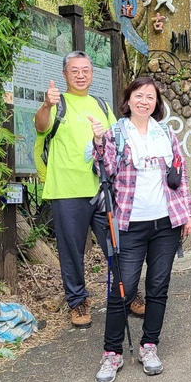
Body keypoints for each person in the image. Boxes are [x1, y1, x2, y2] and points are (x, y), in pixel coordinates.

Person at [89, 77, 191, 382]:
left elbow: (180, 173)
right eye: (139, 95)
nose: (144, 101)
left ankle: (149, 346)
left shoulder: (167, 133)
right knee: (123, 288)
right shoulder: (117, 132)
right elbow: (103, 169)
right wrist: (98, 141)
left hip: (166, 223)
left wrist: (186, 213)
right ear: (129, 98)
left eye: (150, 96)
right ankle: (112, 352)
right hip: (129, 223)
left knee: (158, 286)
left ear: (156, 103)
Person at [35, 50, 144, 329]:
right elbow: (41, 126)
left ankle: (127, 292)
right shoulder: (57, 104)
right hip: (67, 189)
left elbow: (114, 141)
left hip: (102, 188)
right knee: (72, 250)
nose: (81, 75)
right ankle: (77, 301)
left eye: (85, 70)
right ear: (64, 74)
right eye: (74, 71)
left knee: (118, 244)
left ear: (92, 73)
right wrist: (47, 105)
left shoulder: (101, 105)